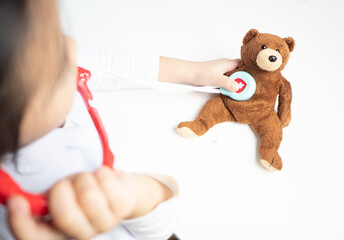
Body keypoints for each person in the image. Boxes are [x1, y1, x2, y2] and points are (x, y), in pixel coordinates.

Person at [0, 0, 239, 239]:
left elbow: (109, 65)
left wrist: (195, 73)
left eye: (59, 34)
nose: (72, 47)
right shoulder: (18, 216)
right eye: (59, 59)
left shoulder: (33, 67)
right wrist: (136, 198)